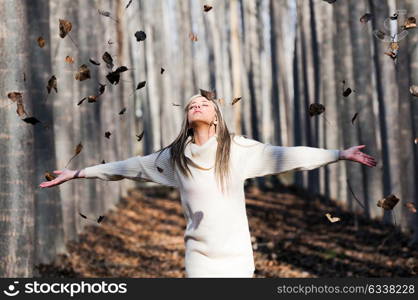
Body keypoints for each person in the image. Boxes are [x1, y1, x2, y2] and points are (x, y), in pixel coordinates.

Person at [39, 93, 377, 278]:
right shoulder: (174, 158)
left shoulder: (239, 150)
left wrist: (338, 154)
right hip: (199, 256)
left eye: (203, 103)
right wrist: (80, 172)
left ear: (216, 115)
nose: (196, 105)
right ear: (187, 118)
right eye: (190, 106)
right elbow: (129, 168)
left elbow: (287, 156)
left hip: (237, 256)